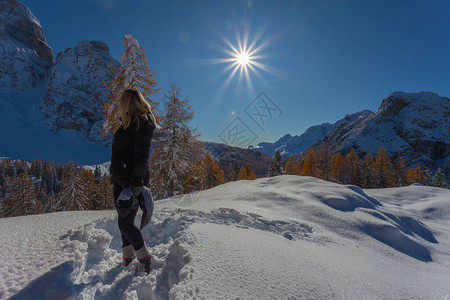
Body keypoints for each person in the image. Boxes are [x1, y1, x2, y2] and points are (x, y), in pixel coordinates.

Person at [110, 88, 158, 273]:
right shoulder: (129, 123)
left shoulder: (140, 125)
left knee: (125, 224)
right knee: (123, 219)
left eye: (121, 102)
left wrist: (136, 185)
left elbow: (141, 158)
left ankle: (145, 258)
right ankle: (128, 258)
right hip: (121, 180)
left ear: (128, 103)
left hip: (132, 182)